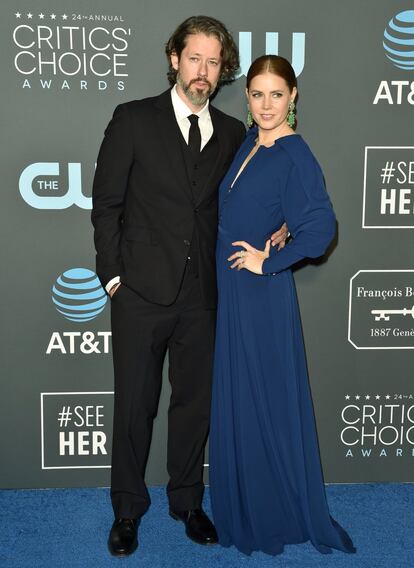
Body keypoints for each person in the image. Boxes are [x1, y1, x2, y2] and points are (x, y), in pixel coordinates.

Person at [92, 16, 288, 557]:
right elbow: (106, 205)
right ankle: (127, 510)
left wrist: (285, 223)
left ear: (222, 70)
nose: (203, 71)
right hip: (139, 294)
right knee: (134, 406)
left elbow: (261, 195)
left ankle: (187, 500)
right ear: (174, 59)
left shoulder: (232, 134)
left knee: (194, 406)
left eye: (213, 62)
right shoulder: (132, 120)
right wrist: (113, 279)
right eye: (193, 58)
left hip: (205, 295)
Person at [209, 55, 356, 556]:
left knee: (263, 401)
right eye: (257, 94)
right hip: (232, 294)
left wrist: (268, 263)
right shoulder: (251, 141)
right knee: (243, 399)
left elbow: (322, 229)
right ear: (247, 99)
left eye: (276, 94)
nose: (266, 105)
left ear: (293, 96)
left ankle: (274, 510)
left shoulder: (295, 152)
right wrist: (284, 223)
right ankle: (247, 500)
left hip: (259, 299)